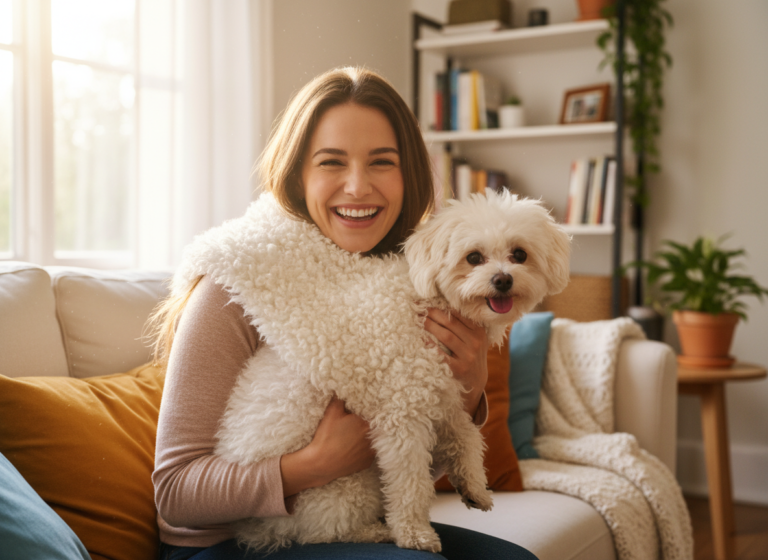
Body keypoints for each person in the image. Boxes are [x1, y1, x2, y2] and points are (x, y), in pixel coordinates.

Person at [149, 66, 538, 560]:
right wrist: (314, 463)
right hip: (225, 545)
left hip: (347, 524)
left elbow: (408, 465)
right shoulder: (240, 275)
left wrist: (470, 388)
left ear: (409, 174)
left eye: (381, 162)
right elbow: (176, 492)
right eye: (331, 162)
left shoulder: (411, 277)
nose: (357, 187)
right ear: (297, 173)